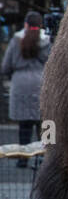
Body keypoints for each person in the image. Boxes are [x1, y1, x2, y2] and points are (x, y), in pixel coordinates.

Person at [2, 11, 51, 165]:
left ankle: (22, 159)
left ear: (25, 25)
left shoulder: (15, 41)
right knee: (45, 122)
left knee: (24, 125)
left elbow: (6, 66)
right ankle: (46, 158)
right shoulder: (48, 42)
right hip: (42, 85)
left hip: (20, 86)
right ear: (41, 25)